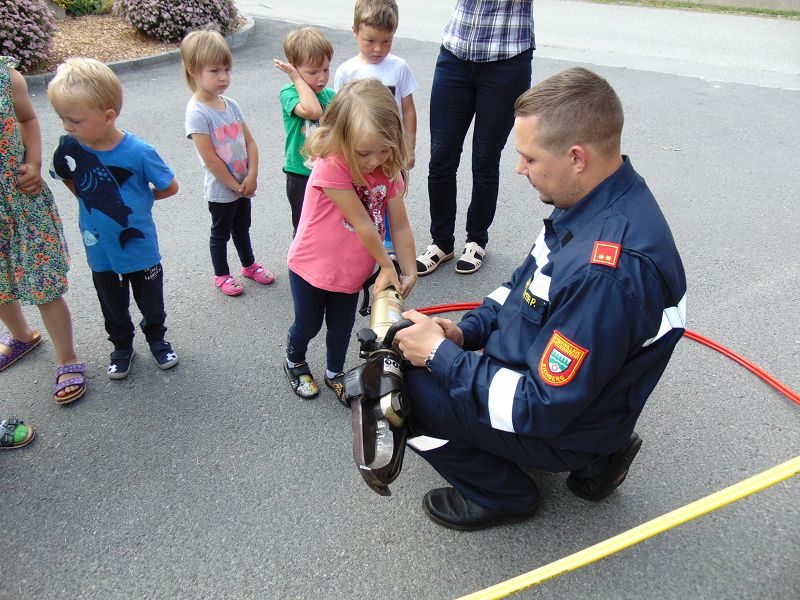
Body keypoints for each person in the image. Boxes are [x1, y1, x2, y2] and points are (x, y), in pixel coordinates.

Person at [395, 68, 687, 531]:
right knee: (437, 359)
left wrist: (439, 357)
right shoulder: (595, 203)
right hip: (588, 395)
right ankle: (601, 452)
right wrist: (465, 332)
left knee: (404, 389)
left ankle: (503, 495)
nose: (519, 169)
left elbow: (539, 405)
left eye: (529, 158)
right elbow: (519, 288)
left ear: (575, 157)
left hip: (560, 419)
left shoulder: (605, 272)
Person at [284, 78, 417, 402]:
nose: (374, 160)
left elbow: (399, 225)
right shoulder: (332, 164)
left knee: (342, 329)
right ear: (341, 138)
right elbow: (362, 222)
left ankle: (334, 373)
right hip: (310, 267)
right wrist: (387, 265)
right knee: (309, 323)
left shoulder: (388, 169)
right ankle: (294, 359)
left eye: (384, 149)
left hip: (351, 272)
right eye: (363, 152)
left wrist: (408, 269)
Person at [48, 58, 180, 380]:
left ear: (108, 117)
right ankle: (122, 346)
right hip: (100, 250)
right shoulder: (70, 146)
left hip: (140, 247)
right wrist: (87, 198)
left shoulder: (138, 151)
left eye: (74, 120)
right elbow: (64, 173)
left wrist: (141, 202)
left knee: (151, 301)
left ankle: (157, 339)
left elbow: (169, 186)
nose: (66, 126)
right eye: (62, 118)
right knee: (111, 304)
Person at [416, 0, 533, 276]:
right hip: (455, 53)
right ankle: (441, 243)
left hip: (506, 59)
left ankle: (477, 239)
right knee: (441, 156)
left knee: (485, 158)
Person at [0, 56, 86, 405]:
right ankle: (22, 335)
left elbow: (27, 118)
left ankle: (66, 356)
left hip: (19, 198)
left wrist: (33, 161)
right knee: (1, 284)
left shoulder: (7, 78)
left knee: (43, 282)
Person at [182, 30, 275, 297]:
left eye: (226, 69)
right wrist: (234, 185)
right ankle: (221, 274)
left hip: (244, 184)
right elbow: (210, 159)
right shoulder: (197, 112)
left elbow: (251, 143)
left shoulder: (231, 104)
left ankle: (249, 265)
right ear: (193, 70)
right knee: (220, 233)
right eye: (215, 71)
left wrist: (252, 175)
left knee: (242, 227)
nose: (223, 77)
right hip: (223, 188)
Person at [333, 0, 417, 257]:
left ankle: (390, 246)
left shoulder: (399, 67)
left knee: (391, 196)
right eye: (370, 41)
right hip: (358, 152)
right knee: (360, 197)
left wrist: (409, 147)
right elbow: (338, 117)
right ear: (355, 31)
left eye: (387, 41)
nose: (379, 49)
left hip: (390, 151)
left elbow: (408, 109)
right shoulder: (347, 71)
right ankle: (359, 242)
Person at [274, 27, 336, 235]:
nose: (321, 78)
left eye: (326, 70)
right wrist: (298, 81)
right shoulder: (289, 93)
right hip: (300, 173)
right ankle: (300, 266)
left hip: (328, 171)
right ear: (294, 69)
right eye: (313, 72)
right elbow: (312, 110)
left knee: (329, 224)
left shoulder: (330, 95)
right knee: (304, 227)